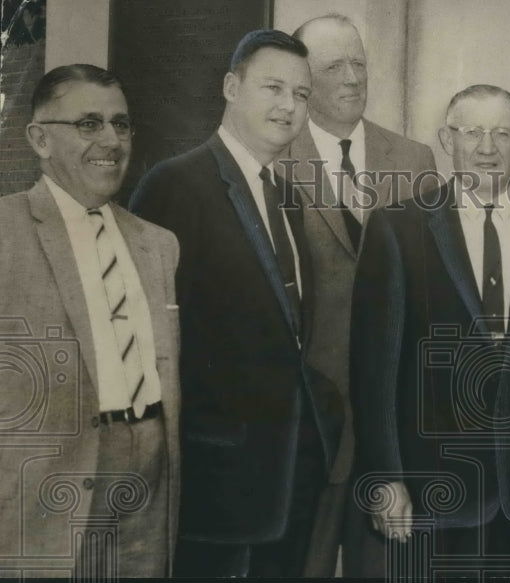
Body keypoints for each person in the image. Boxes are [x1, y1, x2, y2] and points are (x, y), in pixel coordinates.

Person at [350, 84, 510, 578]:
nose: (488, 147)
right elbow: (373, 370)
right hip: (427, 485)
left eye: (503, 133)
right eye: (473, 132)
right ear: (446, 138)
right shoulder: (397, 227)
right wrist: (386, 477)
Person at [129, 30, 330, 577]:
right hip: (213, 483)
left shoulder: (288, 197)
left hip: (289, 479)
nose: (289, 105)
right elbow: (144, 346)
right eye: (273, 87)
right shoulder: (173, 184)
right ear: (231, 87)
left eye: (302, 94)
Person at [0, 64, 180, 577]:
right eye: (88, 124)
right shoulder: (5, 231)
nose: (111, 140)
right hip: (44, 490)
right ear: (39, 138)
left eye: (120, 124)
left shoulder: (157, 244)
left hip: (149, 472)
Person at [282, 13, 438, 577]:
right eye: (333, 66)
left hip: (392, 428)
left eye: (359, 63)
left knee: (392, 570)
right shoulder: (273, 156)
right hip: (308, 427)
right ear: (303, 78)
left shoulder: (415, 161)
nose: (352, 78)